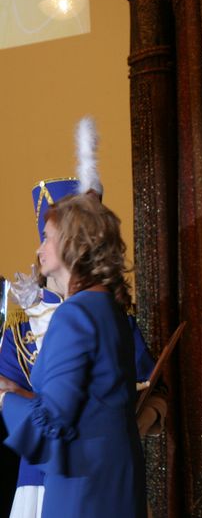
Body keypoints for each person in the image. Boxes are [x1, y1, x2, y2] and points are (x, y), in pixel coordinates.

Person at [0, 193, 147, 518]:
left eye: (47, 238)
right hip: (116, 475)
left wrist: (5, 400)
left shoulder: (74, 314)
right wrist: (14, 389)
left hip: (84, 482)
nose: (39, 249)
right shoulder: (107, 308)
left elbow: (51, 425)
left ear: (73, 244)